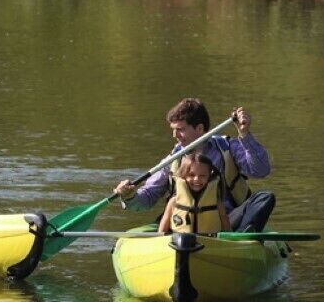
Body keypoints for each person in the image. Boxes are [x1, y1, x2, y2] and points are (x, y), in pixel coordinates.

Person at [114, 98, 275, 232]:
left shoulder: (227, 148)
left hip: (224, 222)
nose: (174, 135)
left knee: (264, 198)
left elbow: (261, 170)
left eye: (180, 129)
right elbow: (148, 197)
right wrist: (130, 196)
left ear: (199, 128)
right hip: (181, 223)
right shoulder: (172, 160)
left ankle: (240, 241)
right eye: (173, 129)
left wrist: (244, 135)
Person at [158, 153, 230, 234]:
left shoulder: (216, 201)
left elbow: (224, 219)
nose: (196, 179)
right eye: (191, 175)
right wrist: (159, 238)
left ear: (209, 177)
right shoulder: (174, 201)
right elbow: (165, 221)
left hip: (210, 241)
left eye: (202, 176)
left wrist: (230, 239)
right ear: (183, 175)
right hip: (180, 241)